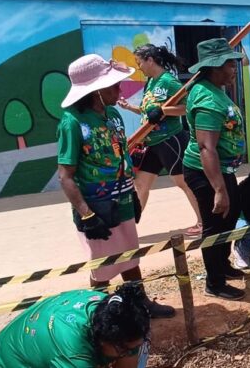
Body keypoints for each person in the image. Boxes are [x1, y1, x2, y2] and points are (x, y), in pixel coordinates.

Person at [57, 54, 174, 318]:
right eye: (114, 86)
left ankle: (140, 303)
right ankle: (97, 312)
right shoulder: (72, 122)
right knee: (102, 266)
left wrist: (132, 193)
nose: (120, 90)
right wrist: (87, 215)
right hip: (96, 208)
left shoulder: (112, 115)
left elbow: (120, 153)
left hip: (122, 200)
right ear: (96, 91)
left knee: (130, 255)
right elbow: (65, 176)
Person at [183, 38, 247, 300]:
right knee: (215, 227)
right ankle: (215, 283)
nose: (234, 69)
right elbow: (206, 147)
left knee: (229, 218)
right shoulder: (207, 98)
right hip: (206, 173)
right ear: (215, 66)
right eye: (230, 64)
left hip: (222, 170)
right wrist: (219, 189)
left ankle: (222, 265)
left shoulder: (215, 90)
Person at [117, 44, 203, 238]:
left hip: (170, 140)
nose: (138, 67)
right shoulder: (151, 83)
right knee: (141, 184)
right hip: (152, 143)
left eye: (139, 62)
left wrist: (164, 111)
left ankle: (203, 221)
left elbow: (188, 107)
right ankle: (129, 229)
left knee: (182, 181)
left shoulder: (169, 81)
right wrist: (130, 107)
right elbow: (149, 112)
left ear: (150, 60)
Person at [0, 283, 151, 368]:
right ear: (102, 340)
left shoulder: (117, 310)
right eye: (125, 350)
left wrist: (129, 352)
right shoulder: (74, 355)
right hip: (8, 361)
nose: (132, 352)